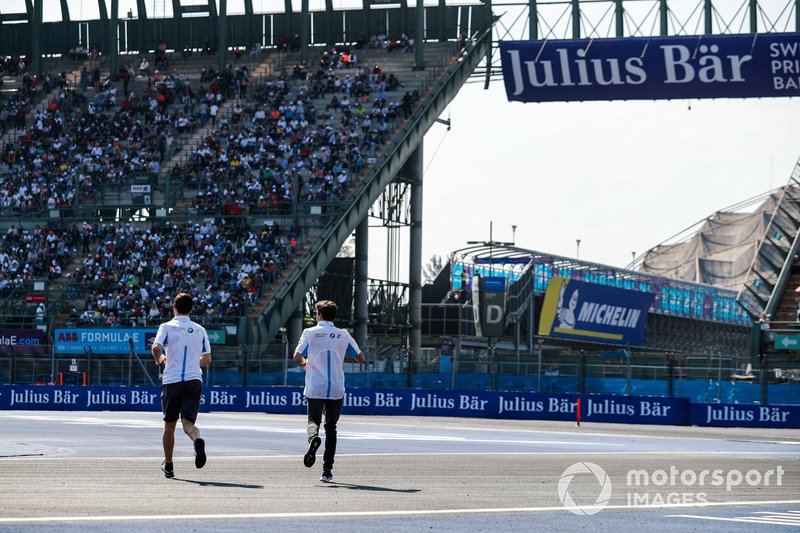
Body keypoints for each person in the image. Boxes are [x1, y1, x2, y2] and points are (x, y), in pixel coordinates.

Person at [293, 300, 365, 482]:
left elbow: (297, 356)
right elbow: (360, 358)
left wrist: (304, 364)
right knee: (331, 428)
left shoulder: (309, 333)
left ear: (319, 315)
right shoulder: (343, 334)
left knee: (313, 421)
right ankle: (327, 470)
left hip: (316, 384)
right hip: (336, 387)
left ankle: (313, 439)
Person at [151, 292, 212, 479]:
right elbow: (207, 359)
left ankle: (169, 465)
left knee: (169, 425)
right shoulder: (200, 329)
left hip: (172, 380)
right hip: (194, 380)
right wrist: (193, 361)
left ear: (174, 307)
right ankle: (197, 440)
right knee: (188, 424)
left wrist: (160, 360)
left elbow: (156, 347)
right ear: (191, 309)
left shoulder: (166, 326)